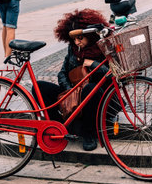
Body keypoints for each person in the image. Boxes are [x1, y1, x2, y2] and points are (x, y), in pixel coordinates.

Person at [31, 9, 110, 151]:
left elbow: (112, 74)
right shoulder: (73, 49)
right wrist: (68, 90)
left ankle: (89, 134)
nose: (77, 41)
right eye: (74, 38)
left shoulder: (103, 47)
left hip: (98, 99)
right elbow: (62, 73)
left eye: (80, 37)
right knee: (39, 87)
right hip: (74, 93)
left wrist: (93, 64)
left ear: (90, 35)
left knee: (90, 89)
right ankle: (57, 126)